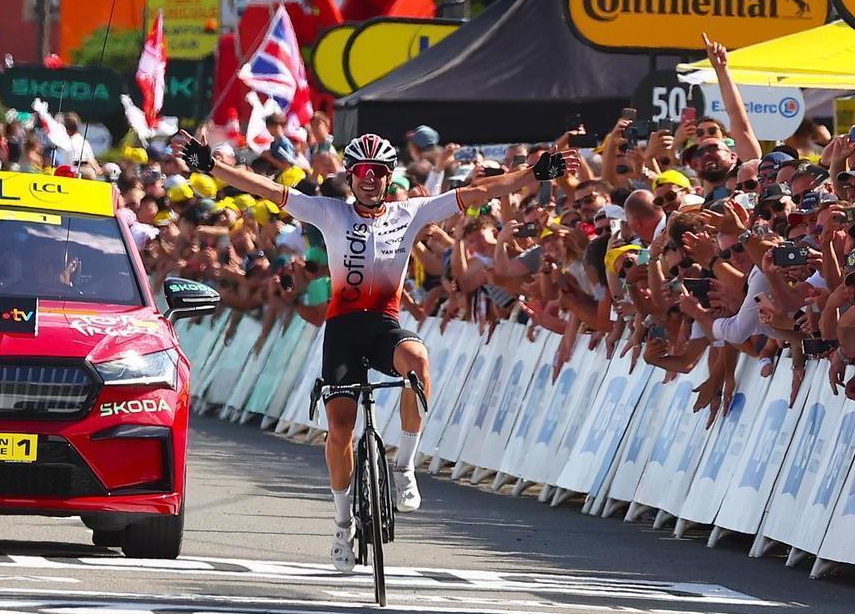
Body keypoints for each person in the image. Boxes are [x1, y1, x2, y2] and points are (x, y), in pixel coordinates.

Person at [172, 129, 579, 572]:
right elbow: (265, 187)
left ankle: (404, 468)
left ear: (389, 176)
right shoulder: (328, 212)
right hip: (342, 331)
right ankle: (341, 526)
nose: (370, 179)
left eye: (379, 171)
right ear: (351, 176)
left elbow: (480, 190)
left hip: (384, 325)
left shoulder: (412, 211)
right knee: (341, 429)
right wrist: (210, 165)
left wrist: (534, 173)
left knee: (418, 361)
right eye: (363, 171)